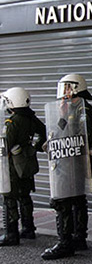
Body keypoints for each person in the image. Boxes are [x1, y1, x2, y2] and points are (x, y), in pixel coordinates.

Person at [41, 74, 92, 260]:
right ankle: (77, 238)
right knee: (76, 200)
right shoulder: (71, 108)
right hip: (66, 162)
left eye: (66, 89)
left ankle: (66, 242)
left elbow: (80, 136)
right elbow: (60, 131)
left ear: (74, 88)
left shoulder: (84, 111)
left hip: (74, 163)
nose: (63, 93)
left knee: (65, 201)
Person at [0, 87, 46, 246]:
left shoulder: (12, 122)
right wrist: (35, 146)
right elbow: (44, 132)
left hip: (12, 166)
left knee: (9, 197)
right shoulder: (32, 118)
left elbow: (5, 146)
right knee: (25, 196)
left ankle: (11, 234)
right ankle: (28, 228)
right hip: (27, 163)